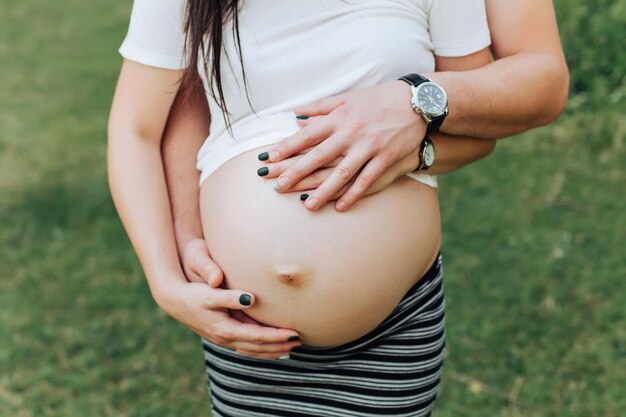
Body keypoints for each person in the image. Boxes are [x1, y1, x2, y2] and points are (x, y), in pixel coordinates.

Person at [108, 1, 567, 416]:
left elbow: (480, 127)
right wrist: (166, 281)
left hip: (390, 328)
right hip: (244, 327)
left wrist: (411, 106)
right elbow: (141, 127)